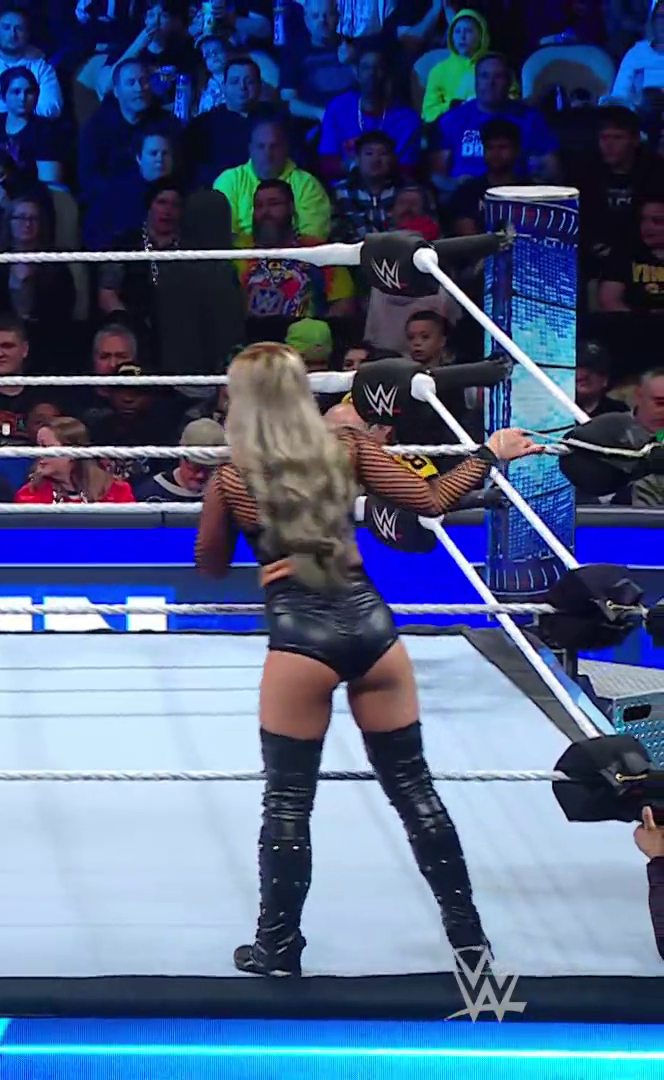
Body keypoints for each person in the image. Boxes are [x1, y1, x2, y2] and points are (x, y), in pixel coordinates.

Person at [195, 342, 541, 977]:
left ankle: (278, 948)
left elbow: (211, 567)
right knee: (414, 789)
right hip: (371, 625)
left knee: (288, 801)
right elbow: (431, 501)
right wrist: (489, 454)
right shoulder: (347, 447)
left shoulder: (233, 476)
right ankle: (471, 944)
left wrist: (242, 522)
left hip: (300, 634)